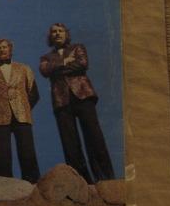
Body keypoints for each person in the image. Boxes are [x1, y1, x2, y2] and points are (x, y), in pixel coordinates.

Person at [39, 23, 115, 183]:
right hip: (61, 101)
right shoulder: (46, 57)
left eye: (60, 31)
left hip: (83, 95)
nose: (57, 34)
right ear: (50, 36)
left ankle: (106, 179)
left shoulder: (78, 48)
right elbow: (45, 70)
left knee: (94, 137)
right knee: (70, 143)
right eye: (54, 32)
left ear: (66, 34)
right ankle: (81, 183)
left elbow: (82, 64)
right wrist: (65, 62)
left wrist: (57, 68)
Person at [0, 38, 41, 183]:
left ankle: (32, 182)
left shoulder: (24, 68)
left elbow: (33, 93)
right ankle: (4, 185)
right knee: (1, 152)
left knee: (27, 150)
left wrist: (23, 106)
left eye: (4, 47)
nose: (2, 50)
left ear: (10, 49)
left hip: (22, 114)